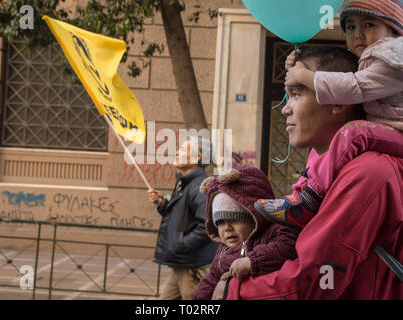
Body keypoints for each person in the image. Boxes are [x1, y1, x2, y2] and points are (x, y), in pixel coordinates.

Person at [226, 46, 402, 299]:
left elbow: (316, 280)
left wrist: (233, 293)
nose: (285, 109)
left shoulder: (367, 173)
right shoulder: (324, 163)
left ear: (338, 101)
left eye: (296, 94)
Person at [255, 0, 403, 229]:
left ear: (394, 30)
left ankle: (310, 199)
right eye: (351, 27)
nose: (359, 34)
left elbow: (353, 87)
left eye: (369, 24)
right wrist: (297, 67)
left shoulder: (393, 59)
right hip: (388, 129)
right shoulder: (371, 59)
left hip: (398, 131)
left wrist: (304, 76)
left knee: (353, 133)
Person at [191, 166, 298, 300]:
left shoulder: (272, 233)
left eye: (235, 220)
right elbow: (211, 279)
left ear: (255, 217)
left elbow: (287, 246)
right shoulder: (222, 252)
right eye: (221, 222)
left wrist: (252, 261)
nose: (227, 228)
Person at [147, 136, 218, 300]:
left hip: (192, 264)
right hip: (183, 263)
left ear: (196, 157)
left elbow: (207, 226)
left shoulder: (199, 186)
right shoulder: (185, 182)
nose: (177, 152)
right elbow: (183, 217)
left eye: (183, 150)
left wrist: (180, 244)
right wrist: (163, 203)